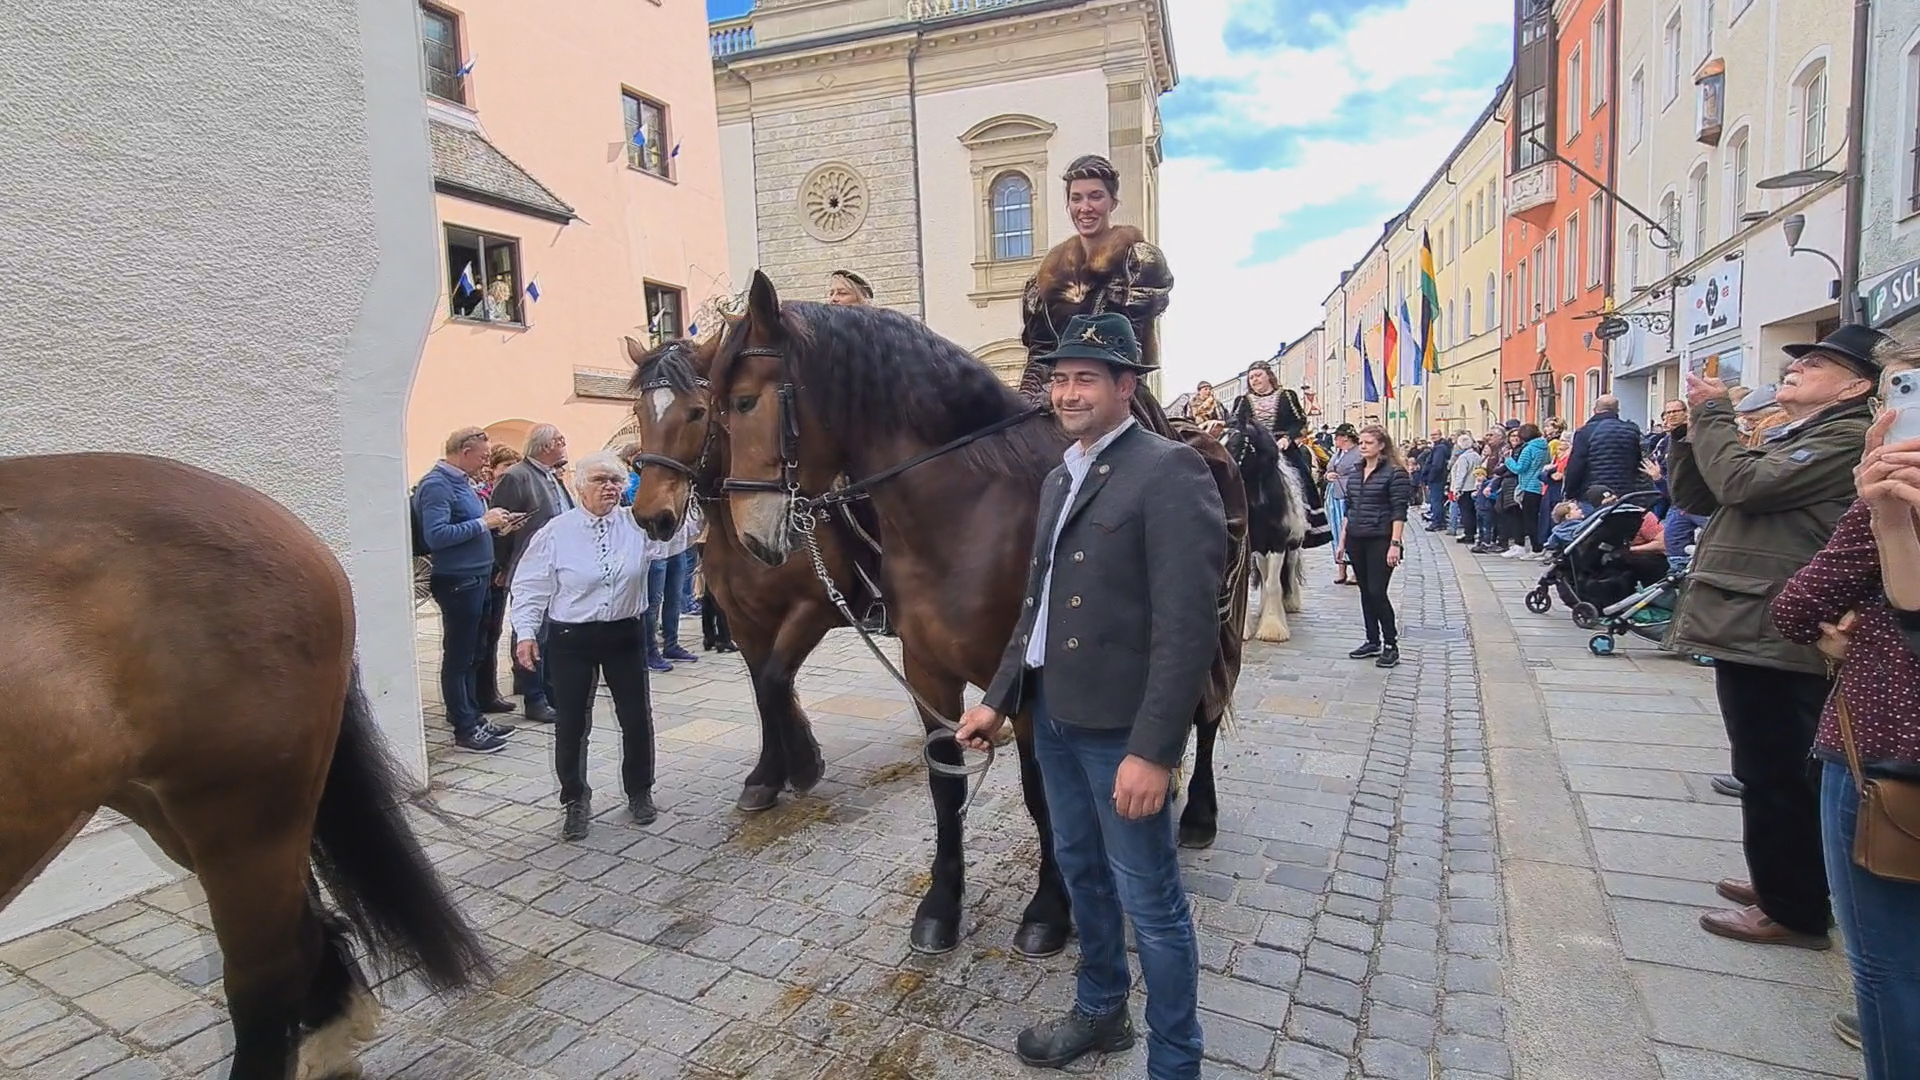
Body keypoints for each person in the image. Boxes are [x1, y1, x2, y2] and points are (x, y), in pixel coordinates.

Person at [955, 312, 1225, 1080]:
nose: (1067, 393)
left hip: (1122, 735)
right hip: (1057, 726)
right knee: (1080, 873)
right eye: (1059, 379)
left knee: (1155, 905)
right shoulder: (1057, 475)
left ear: (1125, 386)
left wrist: (1154, 749)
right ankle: (1102, 1010)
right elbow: (1035, 606)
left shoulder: (1167, 469)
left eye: (1085, 379)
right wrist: (998, 699)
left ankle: (1176, 1061)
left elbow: (1186, 627)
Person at [1667, 324, 1888, 949]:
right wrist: (1690, 431)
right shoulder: (1796, 432)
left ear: (1856, 385)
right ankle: (1783, 881)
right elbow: (1699, 494)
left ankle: (1791, 909)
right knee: (1767, 764)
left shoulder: (1845, 438)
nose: (1795, 368)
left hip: (1777, 621)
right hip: (1754, 617)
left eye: (1816, 362)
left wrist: (1713, 416)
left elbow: (1746, 486)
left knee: (1778, 770)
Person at [1768, 347, 1920, 1077]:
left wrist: (1882, 514)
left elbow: (1800, 607)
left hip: (1886, 751)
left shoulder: (1886, 485)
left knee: (1889, 965)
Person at [510, 451, 669, 840]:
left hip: (626, 634)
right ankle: (575, 800)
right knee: (572, 723)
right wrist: (526, 633)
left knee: (635, 717)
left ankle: (640, 791)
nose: (610, 487)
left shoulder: (636, 525)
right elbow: (530, 586)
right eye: (600, 480)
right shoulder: (555, 532)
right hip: (571, 639)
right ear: (579, 486)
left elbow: (676, 535)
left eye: (615, 480)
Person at [1019, 154, 1176, 436]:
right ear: (1068, 204)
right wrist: (1028, 396)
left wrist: (1072, 387)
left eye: (1095, 196)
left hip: (1120, 394)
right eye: (1076, 198)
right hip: (1056, 394)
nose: (1085, 207)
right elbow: (1040, 352)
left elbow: (1130, 349)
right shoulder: (1043, 279)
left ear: (1112, 202)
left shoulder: (1137, 262)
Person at [413, 427, 521, 754]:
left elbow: (473, 526)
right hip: (458, 580)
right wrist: (483, 524)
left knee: (475, 653)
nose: (487, 462)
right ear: (464, 451)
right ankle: (463, 727)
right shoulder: (436, 485)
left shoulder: (463, 483)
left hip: (478, 577)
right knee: (458, 658)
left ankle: (473, 715)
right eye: (483, 455)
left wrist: (499, 526)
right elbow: (437, 536)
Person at [490, 424, 574, 723]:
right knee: (530, 631)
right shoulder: (517, 476)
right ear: (543, 446)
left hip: (558, 567)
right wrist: (503, 566)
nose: (564, 444)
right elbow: (500, 526)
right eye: (559, 439)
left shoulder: (551, 475)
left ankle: (549, 691)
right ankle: (533, 697)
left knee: (550, 633)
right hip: (530, 566)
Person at [1232, 362, 1332, 547]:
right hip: (1255, 448)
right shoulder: (1243, 401)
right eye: (1251, 377)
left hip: (1282, 447)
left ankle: (1308, 523)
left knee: (1302, 476)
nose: (1255, 380)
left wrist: (1288, 438)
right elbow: (1235, 424)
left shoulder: (1287, 396)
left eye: (1258, 375)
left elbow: (1299, 420)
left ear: (1269, 376)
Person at [1341, 425, 1413, 668]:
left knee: (1377, 592)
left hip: (1380, 538)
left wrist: (1395, 543)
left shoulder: (1395, 473)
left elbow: (1399, 511)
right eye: (1360, 442)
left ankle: (1391, 643)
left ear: (1382, 445)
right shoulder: (1356, 471)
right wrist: (1342, 540)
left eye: (1368, 442)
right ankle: (1372, 639)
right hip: (1356, 537)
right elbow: (1349, 509)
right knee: (1365, 591)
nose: (1362, 446)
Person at [476, 444, 525, 717]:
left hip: (499, 566)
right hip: (487, 568)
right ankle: (480, 694)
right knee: (481, 635)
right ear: (493, 469)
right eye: (504, 466)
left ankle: (490, 690)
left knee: (493, 632)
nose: (509, 472)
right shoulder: (483, 495)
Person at [1500, 423, 1550, 557]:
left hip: (1529, 485)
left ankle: (1536, 549)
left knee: (1529, 520)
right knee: (1536, 518)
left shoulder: (1529, 449)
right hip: (1540, 485)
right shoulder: (1544, 447)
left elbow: (1519, 468)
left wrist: (1508, 459)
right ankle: (1538, 546)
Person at [1324, 424, 1362, 585]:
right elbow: (1328, 469)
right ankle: (1341, 568)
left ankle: (1355, 569)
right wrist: (1328, 476)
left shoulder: (1358, 453)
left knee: (1349, 531)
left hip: (1348, 494)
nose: (1335, 440)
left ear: (1345, 438)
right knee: (1336, 532)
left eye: (1337, 437)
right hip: (1334, 496)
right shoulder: (1337, 453)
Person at [1449, 432, 1484, 543]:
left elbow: (1461, 474)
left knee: (1466, 513)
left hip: (1465, 488)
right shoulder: (1476, 455)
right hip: (1474, 486)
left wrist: (1456, 489)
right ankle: (1471, 532)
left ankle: (1469, 534)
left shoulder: (1464, 458)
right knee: (1472, 512)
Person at [1417, 427, 1452, 531]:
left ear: (1440, 435)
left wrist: (1430, 478)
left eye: (1435, 435)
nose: (1433, 437)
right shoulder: (1439, 447)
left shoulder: (1440, 448)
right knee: (1437, 501)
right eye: (1432, 435)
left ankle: (1438, 522)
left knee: (1436, 501)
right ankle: (1439, 521)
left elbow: (1437, 465)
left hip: (1437, 479)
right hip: (1438, 478)